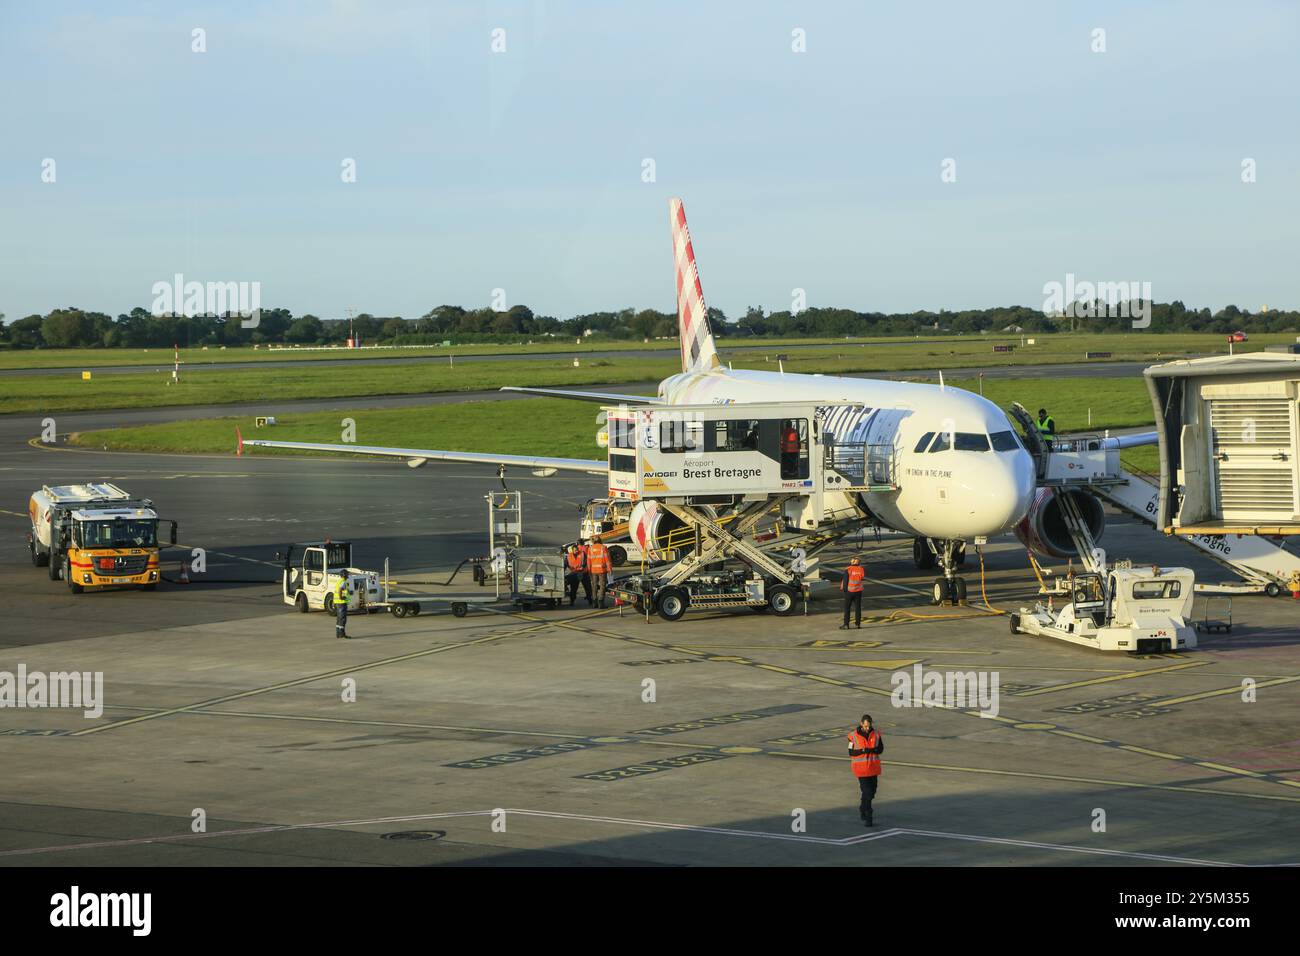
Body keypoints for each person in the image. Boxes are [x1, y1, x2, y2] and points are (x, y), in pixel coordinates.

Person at [847, 714, 884, 826]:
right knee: (867, 792)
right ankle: (868, 815)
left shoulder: (876, 734)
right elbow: (851, 752)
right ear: (861, 724)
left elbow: (881, 749)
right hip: (861, 770)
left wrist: (874, 750)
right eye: (865, 726)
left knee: (872, 792)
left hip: (873, 768)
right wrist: (863, 751)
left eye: (869, 726)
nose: (867, 728)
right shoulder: (853, 736)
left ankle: (862, 807)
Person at [840, 555, 865, 629]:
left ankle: (846, 624)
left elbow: (845, 582)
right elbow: (862, 577)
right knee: (858, 608)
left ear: (852, 561)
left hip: (849, 592)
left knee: (847, 608)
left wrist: (845, 591)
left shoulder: (848, 569)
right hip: (858, 591)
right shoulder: (861, 569)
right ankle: (858, 624)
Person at [587, 534, 611, 608]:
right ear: (600, 540)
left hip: (593, 570)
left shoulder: (590, 548)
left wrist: (589, 570)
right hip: (602, 570)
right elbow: (607, 560)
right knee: (602, 586)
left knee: (594, 586)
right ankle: (601, 602)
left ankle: (594, 602)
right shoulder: (603, 548)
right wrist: (609, 569)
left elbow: (588, 561)